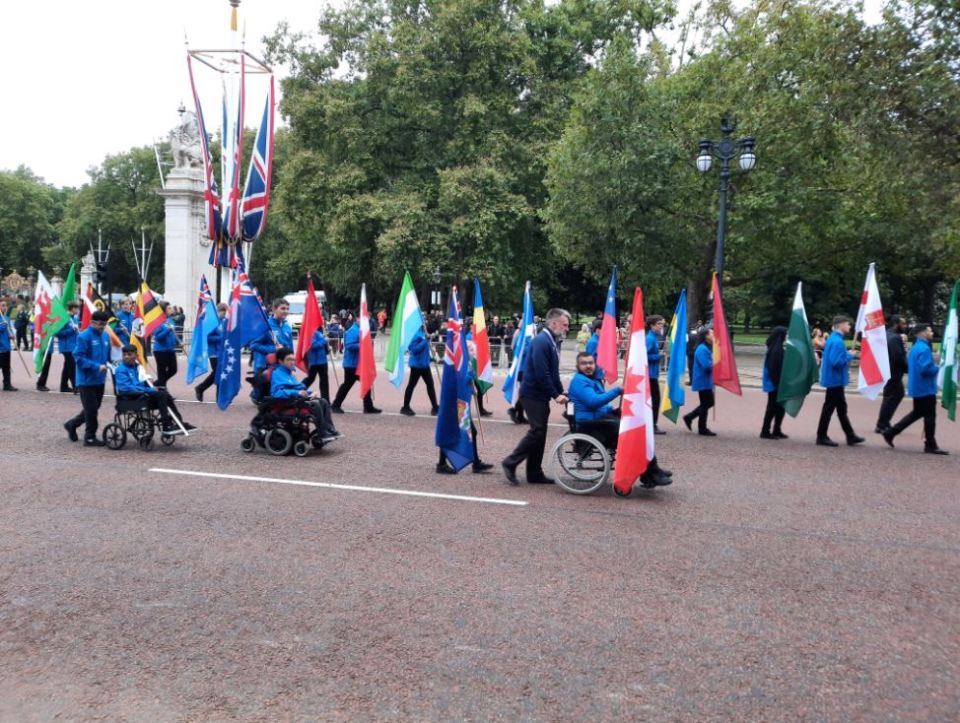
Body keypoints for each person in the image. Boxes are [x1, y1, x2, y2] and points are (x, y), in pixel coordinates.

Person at [567, 352, 672, 486]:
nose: (588, 366)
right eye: (584, 363)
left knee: (638, 429)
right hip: (590, 425)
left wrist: (611, 409)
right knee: (633, 434)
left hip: (597, 420)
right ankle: (650, 472)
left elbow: (599, 405)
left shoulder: (591, 380)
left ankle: (651, 470)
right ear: (577, 366)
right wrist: (617, 391)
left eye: (590, 363)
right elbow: (593, 402)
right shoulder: (580, 381)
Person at [502, 308, 570, 485]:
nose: (567, 328)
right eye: (564, 324)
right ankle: (510, 462)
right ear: (553, 323)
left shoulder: (550, 340)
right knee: (537, 431)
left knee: (541, 433)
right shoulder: (541, 341)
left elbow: (553, 372)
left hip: (539, 395)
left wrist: (561, 391)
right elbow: (542, 373)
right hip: (532, 394)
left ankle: (534, 472)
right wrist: (555, 395)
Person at [883, 324, 948, 454]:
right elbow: (926, 369)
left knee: (917, 413)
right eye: (929, 331)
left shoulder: (917, 347)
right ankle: (930, 444)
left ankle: (891, 432)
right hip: (925, 388)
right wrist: (940, 369)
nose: (932, 333)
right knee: (930, 416)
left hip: (918, 386)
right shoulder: (924, 349)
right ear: (922, 333)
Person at [436, 340, 494, 475]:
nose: (474, 353)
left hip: (462, 405)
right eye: (472, 350)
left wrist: (472, 387)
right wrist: (469, 378)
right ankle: (442, 463)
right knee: (453, 432)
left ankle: (475, 462)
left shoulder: (466, 364)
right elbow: (459, 382)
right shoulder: (459, 365)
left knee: (470, 432)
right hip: (456, 405)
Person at [115, 345, 196, 434]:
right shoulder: (120, 369)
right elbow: (126, 388)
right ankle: (166, 425)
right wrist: (149, 390)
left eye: (129, 354)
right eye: (124, 355)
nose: (126, 357)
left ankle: (179, 422)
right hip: (130, 397)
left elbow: (140, 382)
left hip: (140, 394)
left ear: (135, 355)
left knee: (165, 393)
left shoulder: (137, 367)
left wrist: (148, 383)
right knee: (161, 395)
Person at [270, 347, 341, 442]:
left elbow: (299, 388)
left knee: (323, 401)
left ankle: (330, 429)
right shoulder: (277, 374)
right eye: (289, 360)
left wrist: (310, 392)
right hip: (287, 403)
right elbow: (276, 393)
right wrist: (296, 393)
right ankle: (323, 432)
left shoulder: (289, 374)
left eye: (293, 359)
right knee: (315, 404)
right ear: (280, 361)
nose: (292, 362)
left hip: (297, 400)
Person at [816, 316, 865, 447]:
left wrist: (847, 354)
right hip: (835, 380)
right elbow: (836, 362)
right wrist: (850, 356)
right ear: (841, 325)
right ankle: (821, 436)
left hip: (834, 380)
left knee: (841, 409)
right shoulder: (838, 341)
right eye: (848, 325)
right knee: (830, 409)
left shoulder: (833, 339)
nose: (849, 327)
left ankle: (850, 435)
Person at [64, 310, 111, 446]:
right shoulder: (84, 336)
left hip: (100, 379)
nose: (102, 327)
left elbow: (107, 356)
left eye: (105, 324)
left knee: (94, 407)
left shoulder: (106, 336)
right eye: (100, 324)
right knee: (91, 410)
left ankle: (71, 424)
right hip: (86, 380)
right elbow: (78, 357)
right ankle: (90, 437)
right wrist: (96, 366)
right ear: (92, 322)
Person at [331, 313, 381, 413]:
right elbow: (349, 346)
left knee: (365, 382)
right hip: (351, 364)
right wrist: (363, 344)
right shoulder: (353, 330)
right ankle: (336, 405)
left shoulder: (360, 330)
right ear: (358, 318)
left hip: (358, 364)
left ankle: (368, 406)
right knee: (347, 385)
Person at [37, 301, 81, 393]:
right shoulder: (64, 318)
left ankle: (64, 386)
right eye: (77, 308)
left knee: (67, 366)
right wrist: (71, 330)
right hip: (66, 346)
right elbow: (58, 333)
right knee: (72, 366)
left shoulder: (74, 318)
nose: (78, 310)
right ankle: (76, 386)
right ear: (72, 308)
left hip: (73, 345)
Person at [875, 315, 909, 434]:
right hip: (893, 372)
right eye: (903, 324)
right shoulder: (895, 338)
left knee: (891, 396)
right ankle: (881, 424)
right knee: (892, 397)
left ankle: (884, 422)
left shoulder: (886, 334)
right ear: (896, 324)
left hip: (887, 370)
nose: (905, 326)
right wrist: (908, 368)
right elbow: (898, 357)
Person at [683, 327, 716, 435]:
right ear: (706, 336)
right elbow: (706, 366)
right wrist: (716, 362)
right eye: (711, 333)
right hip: (703, 381)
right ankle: (700, 426)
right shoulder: (702, 349)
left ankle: (692, 419)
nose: (713, 335)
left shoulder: (705, 348)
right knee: (707, 403)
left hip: (705, 380)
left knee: (706, 403)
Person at [400, 327, 438, 416]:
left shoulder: (422, 333)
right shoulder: (414, 334)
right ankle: (405, 407)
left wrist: (431, 359)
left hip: (424, 364)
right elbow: (414, 350)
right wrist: (425, 341)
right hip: (417, 365)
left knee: (430, 385)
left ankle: (435, 407)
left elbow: (424, 351)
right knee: (411, 386)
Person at [195, 302, 227, 402]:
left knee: (218, 373)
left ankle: (202, 388)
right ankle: (202, 389)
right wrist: (221, 338)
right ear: (220, 311)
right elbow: (208, 337)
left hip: (220, 352)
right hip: (213, 352)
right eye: (224, 313)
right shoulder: (213, 322)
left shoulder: (222, 322)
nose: (225, 315)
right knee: (218, 373)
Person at [760, 326, 788, 439]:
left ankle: (777, 429)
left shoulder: (777, 348)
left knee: (780, 407)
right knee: (772, 407)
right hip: (774, 384)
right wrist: (779, 384)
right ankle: (765, 431)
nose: (786, 336)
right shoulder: (776, 350)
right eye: (785, 334)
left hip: (776, 383)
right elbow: (775, 369)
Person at [251, 299, 293, 373]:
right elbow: (253, 345)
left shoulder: (287, 327)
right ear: (274, 309)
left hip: (283, 368)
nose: (286, 311)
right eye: (282, 308)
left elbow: (290, 348)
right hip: (265, 369)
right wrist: (274, 349)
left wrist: (291, 365)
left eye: (287, 309)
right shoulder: (265, 326)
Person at [152, 302, 179, 387]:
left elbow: (172, 334)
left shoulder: (170, 320)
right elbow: (158, 337)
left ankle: (157, 383)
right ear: (163, 310)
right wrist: (168, 330)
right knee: (162, 372)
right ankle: (163, 393)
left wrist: (177, 342)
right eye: (169, 308)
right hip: (160, 351)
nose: (171, 309)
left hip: (170, 349)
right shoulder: (157, 321)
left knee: (173, 370)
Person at [646, 315, 665, 434]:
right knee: (655, 400)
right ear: (652, 325)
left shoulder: (653, 337)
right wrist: (659, 356)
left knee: (654, 400)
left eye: (662, 324)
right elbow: (644, 356)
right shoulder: (650, 339)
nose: (661, 326)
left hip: (653, 374)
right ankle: (652, 425)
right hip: (650, 375)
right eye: (659, 324)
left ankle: (652, 424)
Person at [302, 322, 331, 402]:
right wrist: (324, 341)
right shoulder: (310, 333)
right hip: (314, 361)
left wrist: (327, 348)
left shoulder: (318, 332)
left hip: (322, 360)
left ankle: (326, 399)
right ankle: (298, 390)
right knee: (310, 379)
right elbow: (313, 345)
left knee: (324, 381)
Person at [0, 299, 16, 391]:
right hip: (0, 347)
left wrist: (11, 335)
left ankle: (7, 384)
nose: (4, 307)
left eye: (5, 305)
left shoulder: (7, 318)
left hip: (6, 346)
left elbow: (9, 331)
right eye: (2, 305)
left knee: (6, 368)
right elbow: (2, 328)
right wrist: (2, 326)